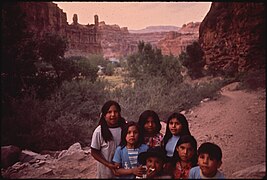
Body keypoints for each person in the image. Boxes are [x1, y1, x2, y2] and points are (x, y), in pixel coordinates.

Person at [90, 100, 126, 178]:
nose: (113, 115)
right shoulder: (99, 131)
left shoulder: (124, 128)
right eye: (109, 112)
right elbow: (94, 152)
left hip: (123, 170)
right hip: (105, 172)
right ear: (104, 115)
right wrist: (108, 164)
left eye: (115, 111)